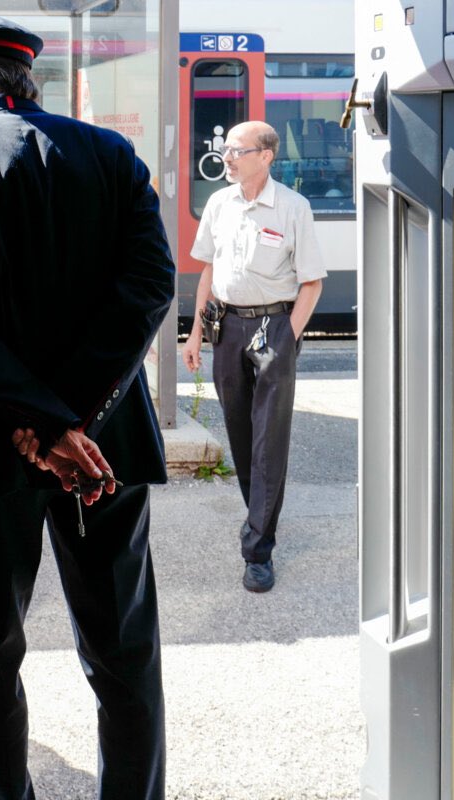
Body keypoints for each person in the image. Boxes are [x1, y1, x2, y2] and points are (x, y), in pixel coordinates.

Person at [0, 16, 174, 798]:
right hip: (102, 446)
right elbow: (150, 289)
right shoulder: (111, 156)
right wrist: (74, 419)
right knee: (123, 648)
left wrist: (39, 420)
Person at [180, 120, 326, 593]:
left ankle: (258, 550)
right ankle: (259, 516)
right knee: (241, 436)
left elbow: (312, 282)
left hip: (272, 328)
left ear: (265, 156)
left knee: (268, 441)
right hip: (226, 327)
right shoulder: (220, 204)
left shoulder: (292, 208)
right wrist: (196, 331)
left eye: (237, 150)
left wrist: (287, 340)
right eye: (226, 149)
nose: (227, 157)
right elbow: (208, 271)